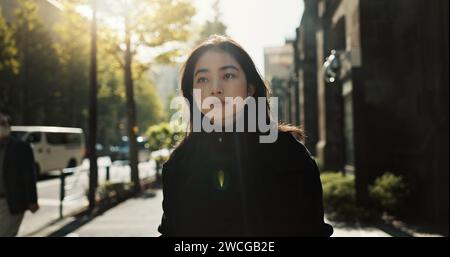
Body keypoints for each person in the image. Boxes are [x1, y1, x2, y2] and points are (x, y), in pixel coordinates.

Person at [158, 35, 333, 237]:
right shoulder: (179, 164)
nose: (215, 88)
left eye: (228, 75)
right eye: (203, 79)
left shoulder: (288, 153)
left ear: (250, 88)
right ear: (192, 93)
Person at [0, 112, 39, 237]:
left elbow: (29, 175)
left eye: (3, 123)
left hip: (12, 201)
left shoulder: (21, 148)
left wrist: (32, 200)